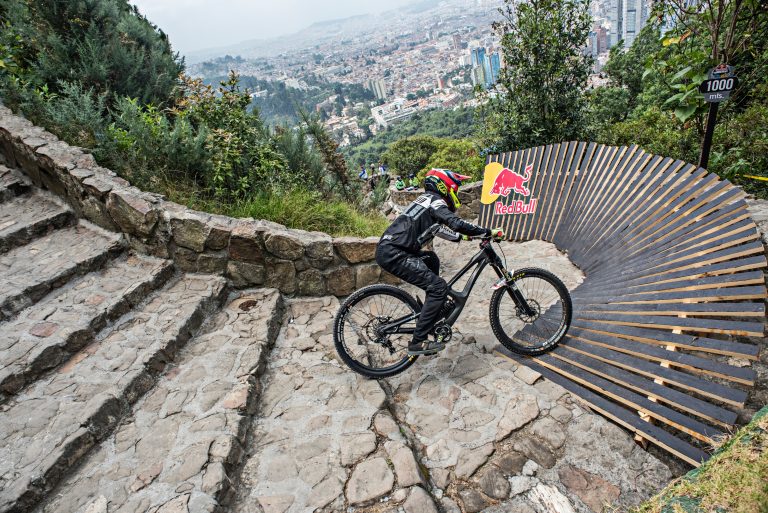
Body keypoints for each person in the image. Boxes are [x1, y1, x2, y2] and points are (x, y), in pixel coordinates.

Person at [375, 168, 503, 355]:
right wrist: (486, 232)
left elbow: (438, 229)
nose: (456, 192)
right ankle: (418, 342)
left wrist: (463, 238)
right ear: (445, 186)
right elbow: (456, 223)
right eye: (456, 188)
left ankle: (432, 310)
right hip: (395, 252)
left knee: (432, 260)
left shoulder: (425, 201)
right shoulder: (435, 200)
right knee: (438, 288)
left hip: (391, 249)